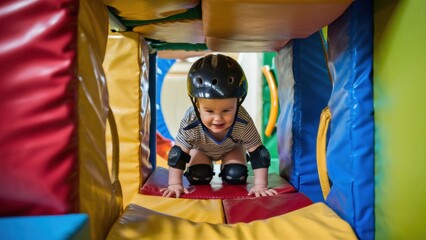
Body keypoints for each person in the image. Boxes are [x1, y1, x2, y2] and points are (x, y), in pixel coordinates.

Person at [160, 54, 278, 198]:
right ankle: (204, 166)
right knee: (199, 176)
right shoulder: (191, 120)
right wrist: (175, 184)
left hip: (232, 149)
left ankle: (228, 166)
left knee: (236, 175)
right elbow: (178, 154)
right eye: (209, 111)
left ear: (238, 103)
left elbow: (259, 154)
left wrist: (260, 186)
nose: (218, 118)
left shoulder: (242, 121)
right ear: (196, 105)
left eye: (226, 110)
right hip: (201, 150)